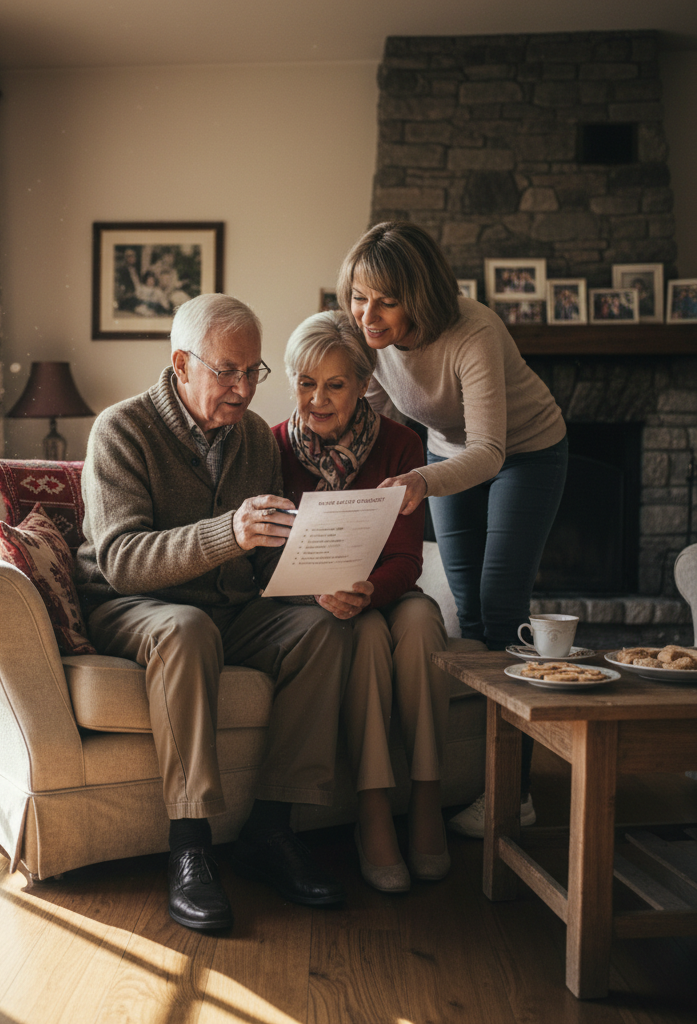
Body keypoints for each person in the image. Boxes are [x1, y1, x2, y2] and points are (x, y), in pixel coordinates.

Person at [76, 292, 353, 932]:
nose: (243, 389)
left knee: (321, 629)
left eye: (253, 372)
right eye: (226, 371)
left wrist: (318, 586)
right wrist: (229, 532)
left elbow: (261, 565)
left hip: (229, 609)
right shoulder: (120, 429)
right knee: (187, 627)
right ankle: (191, 843)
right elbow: (120, 558)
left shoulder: (255, 438)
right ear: (181, 364)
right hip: (134, 607)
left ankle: (271, 829)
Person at [336, 222, 568, 839]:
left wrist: (416, 482)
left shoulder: (474, 330)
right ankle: (482, 776)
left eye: (386, 299)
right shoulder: (366, 337)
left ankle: (514, 793)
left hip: (525, 452)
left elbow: (490, 449)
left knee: (500, 606)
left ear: (421, 294)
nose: (368, 314)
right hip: (444, 452)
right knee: (467, 618)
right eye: (359, 296)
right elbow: (377, 413)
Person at [272, 311, 450, 892]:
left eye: (334, 384)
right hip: (315, 602)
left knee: (422, 618)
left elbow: (408, 557)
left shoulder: (402, 444)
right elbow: (267, 553)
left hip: (387, 589)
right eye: (305, 383)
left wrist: (372, 590)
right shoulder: (271, 446)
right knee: (367, 635)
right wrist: (324, 591)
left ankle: (426, 800)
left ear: (363, 385)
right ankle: (373, 812)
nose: (316, 399)